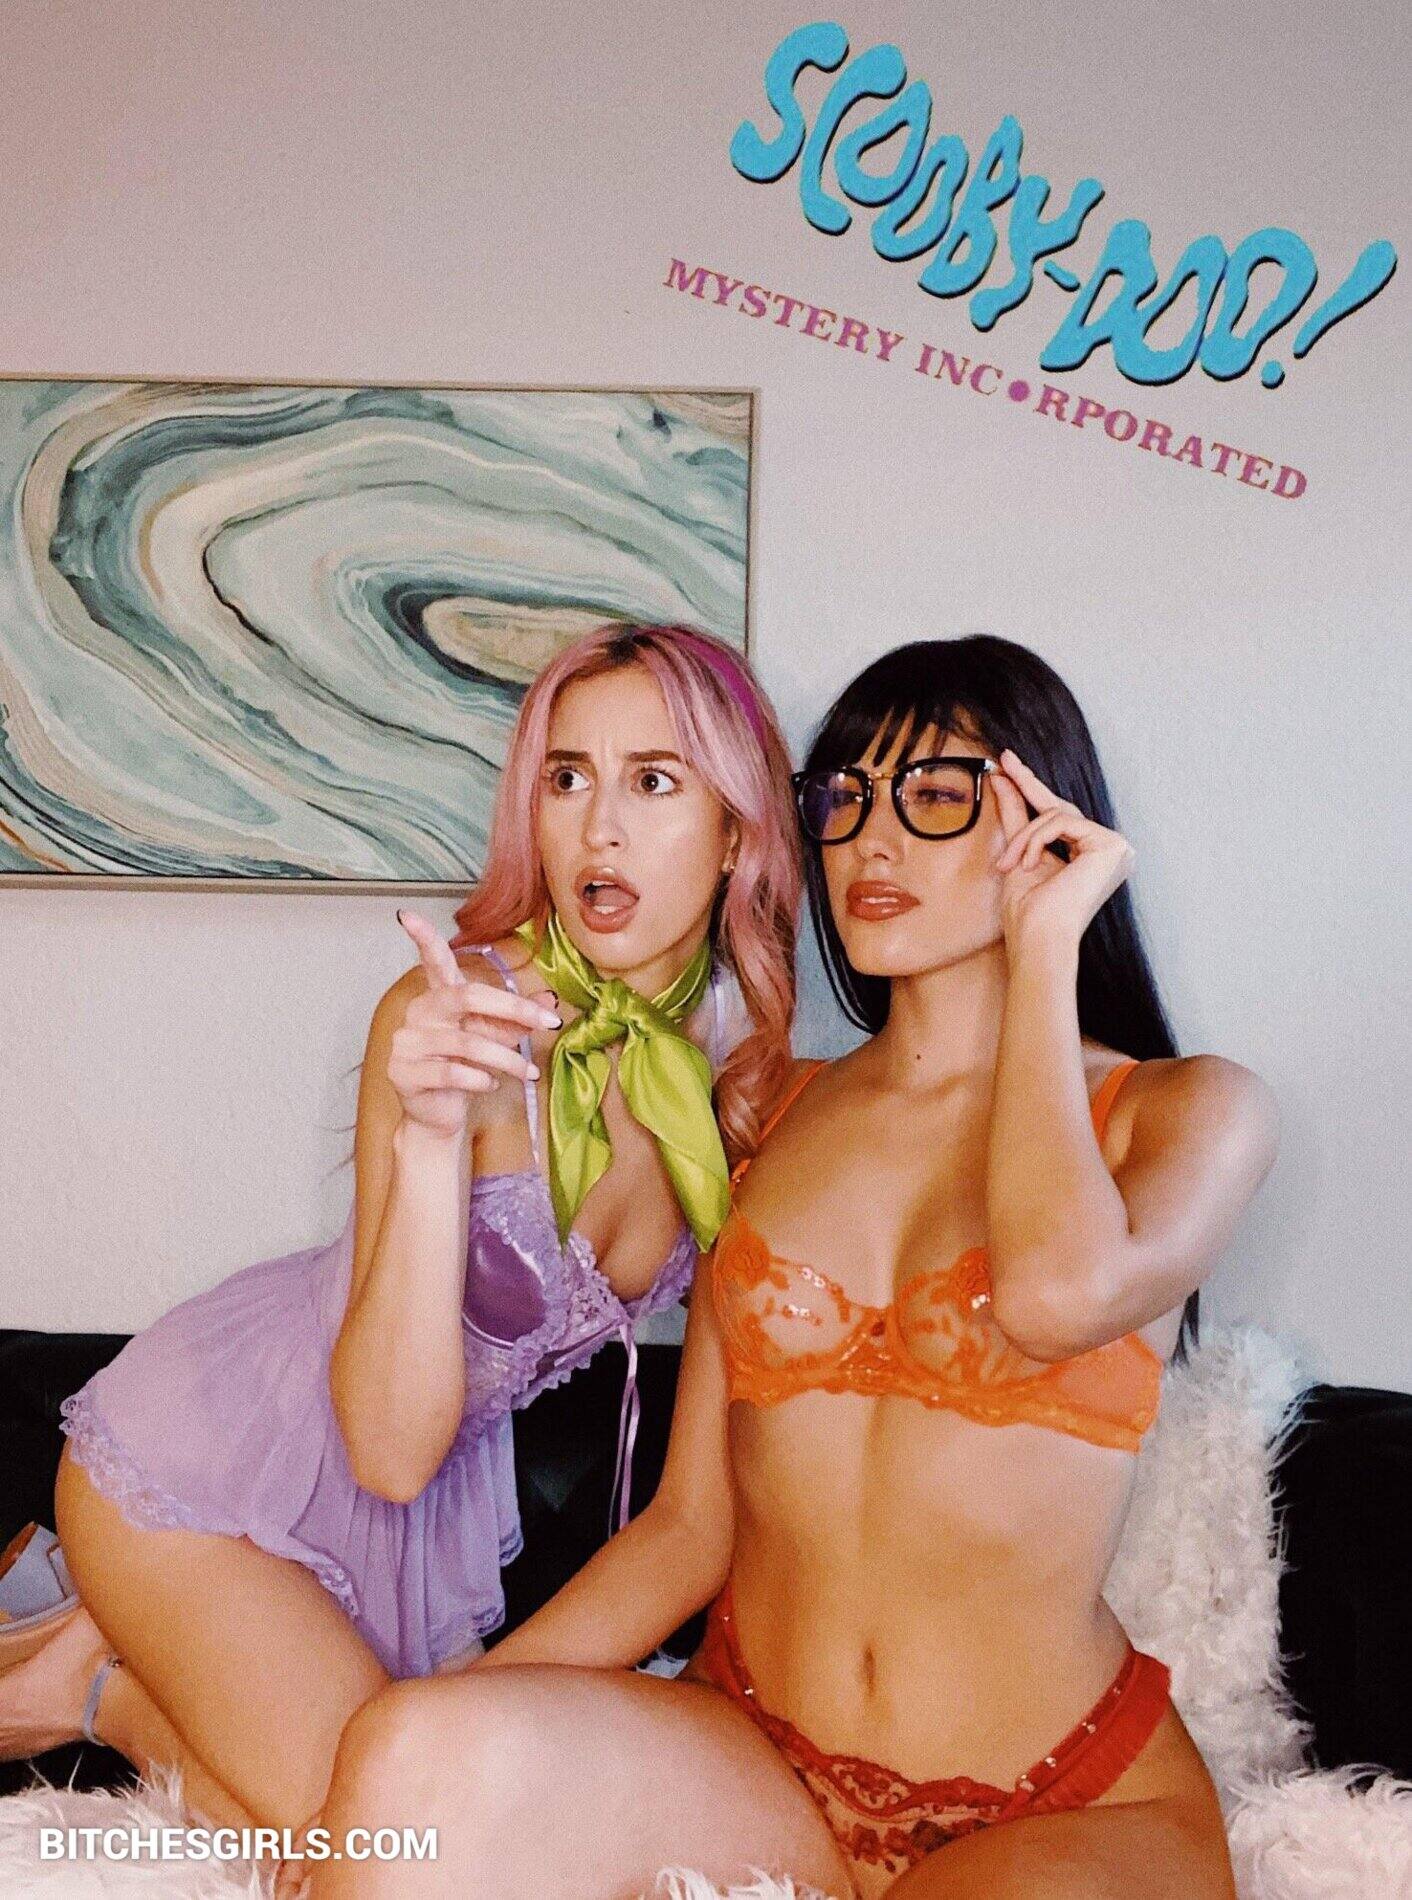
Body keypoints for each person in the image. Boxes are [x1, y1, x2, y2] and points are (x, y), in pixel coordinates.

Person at [302, 635, 1278, 1900]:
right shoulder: (766, 1111)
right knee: (404, 1751)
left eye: (936, 796)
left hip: (1061, 1797)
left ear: (1047, 823)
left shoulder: (1184, 1112)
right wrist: (459, 1727)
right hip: (759, 1758)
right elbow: (688, 1526)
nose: (872, 842)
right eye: (842, 799)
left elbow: (1050, 1295)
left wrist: (1043, 952)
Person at [0, 623, 801, 1845]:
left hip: (416, 1536)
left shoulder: (742, 1086)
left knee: (414, 1835)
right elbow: (384, 1447)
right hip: (208, 1470)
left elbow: (694, 1520)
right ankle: (101, 1676)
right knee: (387, 1846)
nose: (599, 828)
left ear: (735, 829)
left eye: (653, 780)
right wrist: (430, 1142)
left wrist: (476, 1720)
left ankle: (84, 1668)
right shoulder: (455, 1020)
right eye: (566, 776)